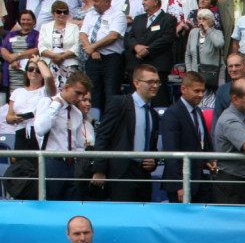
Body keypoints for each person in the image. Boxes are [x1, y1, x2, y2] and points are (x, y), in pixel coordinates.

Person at [91, 64, 162, 203]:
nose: (155, 85)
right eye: (150, 82)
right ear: (136, 83)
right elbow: (103, 136)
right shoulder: (119, 103)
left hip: (143, 174)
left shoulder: (153, 114)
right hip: (122, 172)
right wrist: (99, 169)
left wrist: (153, 161)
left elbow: (151, 145)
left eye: (157, 82)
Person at [33, 71, 91, 201]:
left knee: (72, 204)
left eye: (83, 94)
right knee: (51, 204)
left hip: (72, 165)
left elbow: (79, 143)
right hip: (52, 162)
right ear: (67, 87)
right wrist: (56, 105)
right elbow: (40, 129)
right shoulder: (47, 103)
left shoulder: (76, 112)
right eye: (77, 93)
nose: (80, 98)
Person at [161, 70, 215, 203]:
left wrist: (208, 160)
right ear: (183, 89)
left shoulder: (197, 111)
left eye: (202, 91)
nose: (201, 95)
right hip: (182, 184)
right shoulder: (172, 114)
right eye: (196, 91)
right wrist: (179, 184)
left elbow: (202, 143)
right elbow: (171, 152)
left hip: (200, 180)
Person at [125, 0, 176, 106]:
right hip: (137, 65)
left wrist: (147, 50)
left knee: (158, 101)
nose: (142, 2)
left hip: (157, 65)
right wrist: (136, 47)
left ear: (155, 1)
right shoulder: (138, 19)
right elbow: (129, 36)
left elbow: (166, 39)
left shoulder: (168, 19)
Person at [79, 0, 125, 113]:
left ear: (106, 2)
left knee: (111, 92)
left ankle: (111, 122)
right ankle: (94, 121)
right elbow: (82, 34)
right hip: (92, 58)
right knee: (93, 92)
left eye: (96, 1)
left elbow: (113, 35)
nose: (93, 3)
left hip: (111, 58)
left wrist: (93, 47)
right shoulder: (90, 14)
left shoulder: (118, 14)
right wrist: (91, 50)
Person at [212, 53, 245, 134]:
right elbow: (217, 118)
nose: (234, 69)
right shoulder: (222, 90)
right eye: (230, 66)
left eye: (237, 65)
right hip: (227, 136)